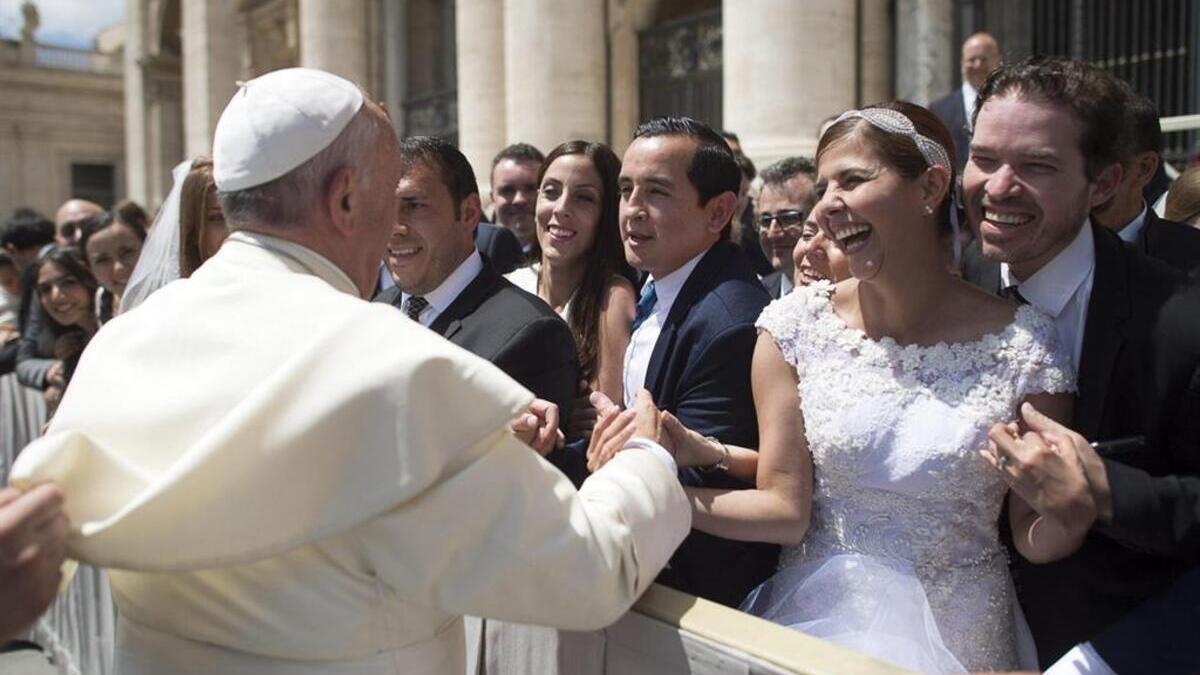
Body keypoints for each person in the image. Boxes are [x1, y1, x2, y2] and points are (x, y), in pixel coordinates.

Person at [8, 67, 692, 675]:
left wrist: (465, 449)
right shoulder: (389, 367)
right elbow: (587, 568)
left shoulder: (125, 343)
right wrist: (645, 458)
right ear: (344, 199)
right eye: (387, 196)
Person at [661, 102, 1075, 672]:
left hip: (964, 637)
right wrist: (659, 490)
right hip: (814, 625)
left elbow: (1032, 534)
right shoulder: (793, 329)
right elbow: (785, 504)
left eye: (852, 180)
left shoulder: (1027, 348)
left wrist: (1073, 511)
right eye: (824, 184)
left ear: (930, 186)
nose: (828, 205)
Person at [961, 56, 1200, 666]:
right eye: (985, 159)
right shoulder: (946, 276)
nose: (997, 187)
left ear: (1105, 183)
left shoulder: (1179, 323)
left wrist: (1103, 491)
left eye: (1036, 165)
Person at [613, 116, 778, 608]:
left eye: (657, 193)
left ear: (719, 211)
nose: (632, 211)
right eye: (625, 191)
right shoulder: (658, 284)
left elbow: (698, 478)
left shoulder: (729, 322)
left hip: (696, 596)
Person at [374, 136, 581, 469]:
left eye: (414, 205)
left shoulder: (531, 334)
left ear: (468, 212)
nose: (394, 228)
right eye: (382, 207)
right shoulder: (372, 315)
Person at [505, 141, 635, 430]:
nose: (562, 208)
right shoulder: (506, 288)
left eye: (584, 198)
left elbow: (600, 419)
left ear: (606, 214)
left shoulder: (613, 297)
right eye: (551, 192)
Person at [1090, 93, 1200, 271]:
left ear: (1145, 168)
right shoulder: (1034, 253)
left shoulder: (1191, 264)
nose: (1078, 172)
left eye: (1097, 159)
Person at [930, 32, 1002, 170]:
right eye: (972, 59)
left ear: (998, 61)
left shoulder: (1011, 104)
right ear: (962, 64)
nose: (978, 65)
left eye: (984, 59)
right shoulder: (939, 109)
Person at [755, 157, 818, 298]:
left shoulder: (851, 296)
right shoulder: (755, 295)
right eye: (765, 221)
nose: (772, 233)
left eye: (788, 218)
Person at [78, 211, 146, 322]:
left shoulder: (174, 294)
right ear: (89, 268)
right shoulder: (103, 299)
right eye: (102, 260)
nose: (118, 268)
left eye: (127, 252)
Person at [489, 142, 543, 260]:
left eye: (531, 189)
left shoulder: (572, 265)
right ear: (492, 198)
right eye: (508, 190)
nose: (520, 200)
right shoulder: (471, 260)